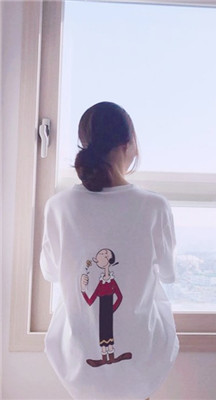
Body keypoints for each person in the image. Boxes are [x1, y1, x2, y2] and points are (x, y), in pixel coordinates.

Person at [40, 102, 179, 400]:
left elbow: (50, 272)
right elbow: (169, 273)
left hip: (77, 356)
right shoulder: (154, 207)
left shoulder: (58, 207)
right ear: (129, 144)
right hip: (141, 356)